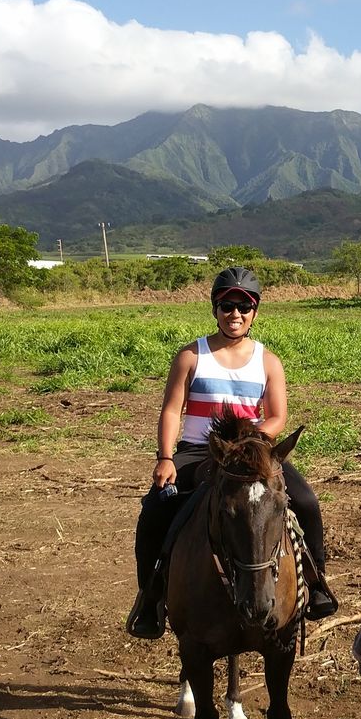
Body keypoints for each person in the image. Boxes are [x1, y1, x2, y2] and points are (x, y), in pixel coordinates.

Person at [126, 266, 337, 638]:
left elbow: (277, 417)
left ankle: (317, 583)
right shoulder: (191, 356)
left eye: (244, 306)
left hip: (253, 453)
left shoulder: (268, 361)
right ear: (215, 308)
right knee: (156, 509)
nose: (235, 313)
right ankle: (150, 599)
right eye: (227, 305)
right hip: (199, 451)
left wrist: (250, 442)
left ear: (254, 311)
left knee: (306, 501)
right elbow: (172, 410)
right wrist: (165, 457)